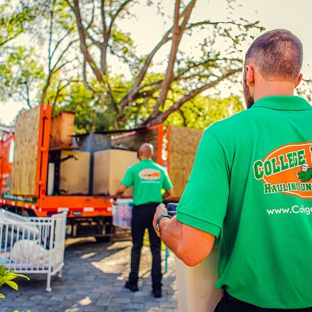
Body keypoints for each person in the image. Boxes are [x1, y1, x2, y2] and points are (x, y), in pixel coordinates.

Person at [153, 29, 312, 311]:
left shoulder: (224, 135)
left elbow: (192, 247)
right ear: (297, 79)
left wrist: (162, 222)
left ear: (249, 74)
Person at [114, 143, 173, 298]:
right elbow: (170, 192)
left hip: (139, 211)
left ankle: (133, 282)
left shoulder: (133, 170)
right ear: (152, 154)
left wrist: (115, 197)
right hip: (155, 211)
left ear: (140, 153)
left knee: (136, 246)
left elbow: (121, 189)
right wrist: (160, 198)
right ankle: (157, 288)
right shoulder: (160, 170)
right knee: (155, 247)